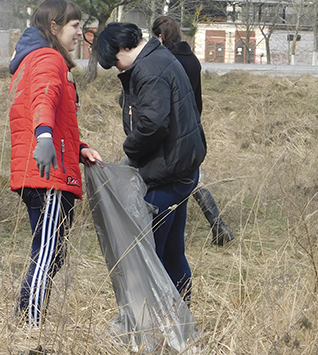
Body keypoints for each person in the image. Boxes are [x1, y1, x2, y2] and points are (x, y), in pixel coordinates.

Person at [97, 22, 207, 303]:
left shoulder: (148, 69)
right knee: (172, 251)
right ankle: (182, 316)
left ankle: (155, 326)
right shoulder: (160, 56)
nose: (118, 68)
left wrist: (129, 152)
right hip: (182, 168)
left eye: (115, 62)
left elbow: (152, 123)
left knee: (149, 255)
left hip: (166, 172)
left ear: (123, 47)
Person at [8, 0, 102, 326]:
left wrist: (79, 148)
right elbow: (43, 100)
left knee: (52, 252)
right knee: (48, 253)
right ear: (54, 27)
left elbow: (58, 117)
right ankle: (29, 326)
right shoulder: (48, 58)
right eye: (75, 25)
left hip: (47, 166)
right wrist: (45, 138)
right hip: (47, 172)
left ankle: (26, 318)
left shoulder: (34, 59)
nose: (80, 32)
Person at [151, 16, 234, 246]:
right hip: (193, 126)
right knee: (194, 179)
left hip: (175, 130)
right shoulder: (192, 60)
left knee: (179, 181)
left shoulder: (167, 60)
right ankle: (218, 227)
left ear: (160, 36)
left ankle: (185, 232)